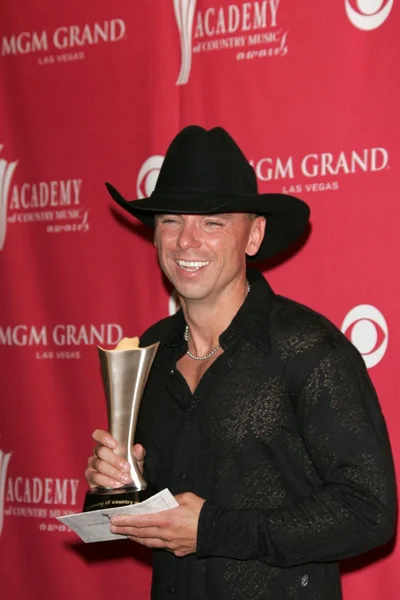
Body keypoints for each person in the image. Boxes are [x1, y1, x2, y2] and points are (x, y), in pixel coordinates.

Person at [85, 126, 396, 600]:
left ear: (253, 236)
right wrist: (121, 485)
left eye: (212, 222)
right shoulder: (150, 350)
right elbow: (162, 506)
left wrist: (213, 529)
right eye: (171, 220)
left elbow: (369, 511)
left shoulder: (307, 349)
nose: (187, 241)